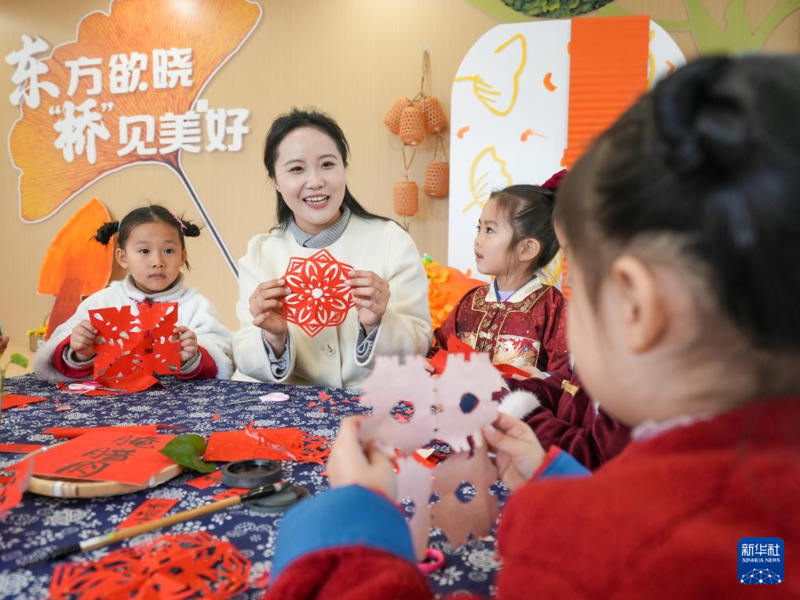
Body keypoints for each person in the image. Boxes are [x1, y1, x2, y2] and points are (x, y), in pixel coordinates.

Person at [264, 56, 800, 598]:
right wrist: (560, 477)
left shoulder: (566, 547)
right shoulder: (764, 541)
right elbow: (743, 574)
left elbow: (636, 552)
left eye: (575, 270)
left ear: (637, 307)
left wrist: (353, 521)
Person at [233, 109, 432, 388]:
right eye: (296, 169)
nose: (315, 181)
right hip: (286, 406)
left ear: (344, 167)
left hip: (370, 404)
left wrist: (377, 324)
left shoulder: (391, 241)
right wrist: (273, 338)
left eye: (327, 164)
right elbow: (243, 353)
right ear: (275, 181)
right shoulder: (259, 253)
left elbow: (420, 342)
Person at [34, 205, 233, 381]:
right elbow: (60, 347)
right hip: (107, 405)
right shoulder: (101, 302)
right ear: (122, 257)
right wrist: (80, 353)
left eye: (169, 251)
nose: (158, 261)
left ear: (183, 256)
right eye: (144, 251)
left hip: (178, 407)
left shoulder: (196, 305)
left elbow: (222, 353)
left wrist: (194, 354)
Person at [429, 179, 569, 375]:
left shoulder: (551, 307)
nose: (478, 240)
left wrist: (540, 381)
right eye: (479, 229)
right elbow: (440, 350)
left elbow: (565, 374)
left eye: (489, 230)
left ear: (527, 249)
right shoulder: (470, 302)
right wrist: (429, 365)